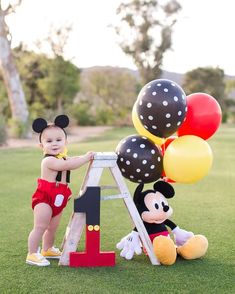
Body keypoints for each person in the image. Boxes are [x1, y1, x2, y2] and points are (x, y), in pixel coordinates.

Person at [26, 115, 94, 266]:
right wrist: (85, 158)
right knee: (40, 226)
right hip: (45, 197)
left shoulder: (63, 158)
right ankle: (31, 253)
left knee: (52, 227)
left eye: (58, 140)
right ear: (41, 146)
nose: (54, 144)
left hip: (59, 196)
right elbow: (67, 166)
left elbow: (69, 160)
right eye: (49, 141)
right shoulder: (49, 160)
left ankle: (47, 248)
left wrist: (81, 157)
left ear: (65, 142)